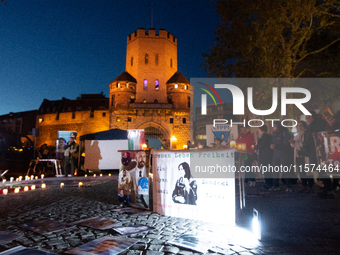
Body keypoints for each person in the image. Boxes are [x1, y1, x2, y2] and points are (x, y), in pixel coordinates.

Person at [302, 111, 327, 196]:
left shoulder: (317, 124)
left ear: (312, 116)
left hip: (317, 150)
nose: (306, 119)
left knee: (321, 169)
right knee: (318, 169)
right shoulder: (311, 125)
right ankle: (324, 188)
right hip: (312, 150)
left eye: (307, 117)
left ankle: (326, 188)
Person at [270, 121, 294, 192]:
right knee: (275, 170)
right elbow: (272, 141)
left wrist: (276, 146)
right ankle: (276, 185)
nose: (273, 127)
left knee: (286, 170)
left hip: (284, 154)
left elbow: (286, 144)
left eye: (274, 126)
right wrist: (271, 145)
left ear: (277, 126)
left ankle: (288, 186)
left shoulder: (285, 133)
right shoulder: (274, 133)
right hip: (276, 154)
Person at [289, 121, 310, 192]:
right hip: (297, 154)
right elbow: (293, 145)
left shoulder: (305, 134)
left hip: (303, 155)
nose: (299, 127)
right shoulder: (297, 135)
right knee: (301, 171)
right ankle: (304, 185)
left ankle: (309, 186)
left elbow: (303, 144)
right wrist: (292, 143)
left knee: (306, 171)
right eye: (298, 126)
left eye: (300, 125)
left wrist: (295, 143)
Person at [255, 125, 273, 189]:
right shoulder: (267, 136)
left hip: (265, 156)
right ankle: (269, 183)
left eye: (259, 129)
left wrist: (255, 147)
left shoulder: (265, 136)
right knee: (267, 170)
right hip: (266, 155)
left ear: (261, 130)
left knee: (266, 170)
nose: (258, 131)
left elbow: (262, 145)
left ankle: (269, 183)